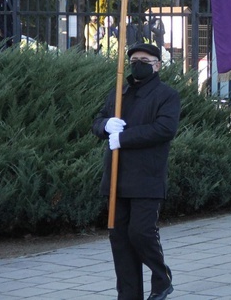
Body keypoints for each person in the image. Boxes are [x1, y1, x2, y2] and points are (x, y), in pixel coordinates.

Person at [92, 43, 181, 300]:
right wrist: (106, 125)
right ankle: (128, 295)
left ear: (157, 65)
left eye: (144, 59)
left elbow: (165, 129)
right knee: (119, 240)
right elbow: (96, 121)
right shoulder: (120, 92)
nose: (137, 63)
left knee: (140, 233)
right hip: (116, 178)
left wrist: (125, 138)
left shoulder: (167, 95)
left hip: (146, 176)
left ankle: (161, 277)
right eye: (133, 59)